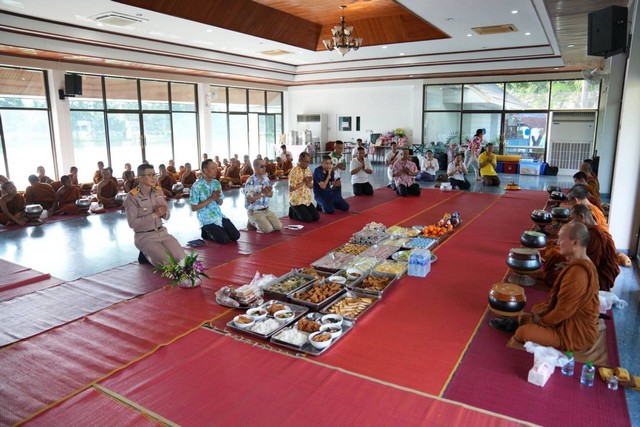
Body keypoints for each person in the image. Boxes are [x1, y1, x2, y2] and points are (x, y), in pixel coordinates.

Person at [505, 223, 600, 352]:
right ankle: (542, 324)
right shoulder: (579, 264)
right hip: (566, 319)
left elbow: (563, 311)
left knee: (522, 332)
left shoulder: (578, 273)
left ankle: (542, 327)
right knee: (535, 310)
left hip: (574, 334)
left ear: (575, 243)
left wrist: (541, 321)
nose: (558, 242)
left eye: (561, 239)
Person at [124, 163, 185, 266]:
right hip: (145, 236)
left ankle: (148, 254)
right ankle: (145, 252)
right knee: (169, 264)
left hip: (162, 232)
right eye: (149, 175)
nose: (153, 178)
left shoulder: (158, 191)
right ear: (140, 178)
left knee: (183, 260)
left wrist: (164, 213)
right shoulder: (132, 197)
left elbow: (167, 215)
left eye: (154, 174)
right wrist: (155, 214)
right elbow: (132, 223)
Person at [190, 159, 240, 244]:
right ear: (205, 170)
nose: (215, 171)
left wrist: (217, 199)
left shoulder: (216, 183)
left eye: (216, 168)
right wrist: (211, 199)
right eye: (213, 168)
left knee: (236, 236)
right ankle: (206, 231)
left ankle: (217, 231)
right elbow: (194, 208)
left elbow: (220, 202)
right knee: (224, 239)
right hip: (206, 219)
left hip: (218, 215)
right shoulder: (196, 186)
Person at [244, 158, 282, 233]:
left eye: (265, 166)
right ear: (255, 168)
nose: (264, 168)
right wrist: (262, 193)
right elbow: (249, 199)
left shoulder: (266, 179)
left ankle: (260, 221)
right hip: (255, 211)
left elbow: (270, 195)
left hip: (266, 210)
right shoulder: (251, 181)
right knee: (268, 229)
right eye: (262, 166)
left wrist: (268, 192)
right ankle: (251, 221)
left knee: (278, 226)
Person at [288, 152, 320, 222]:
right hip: (296, 200)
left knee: (316, 217)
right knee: (308, 219)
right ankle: (292, 211)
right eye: (305, 162)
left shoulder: (308, 170)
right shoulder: (294, 171)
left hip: (306, 200)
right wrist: (304, 181)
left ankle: (297, 211)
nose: (307, 164)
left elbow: (311, 186)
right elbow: (291, 188)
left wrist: (308, 182)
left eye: (308, 162)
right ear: (300, 160)